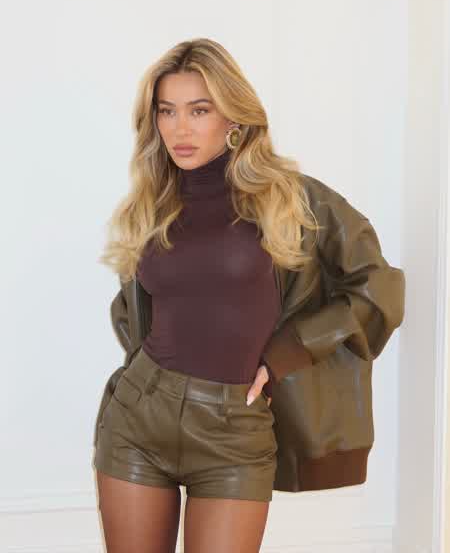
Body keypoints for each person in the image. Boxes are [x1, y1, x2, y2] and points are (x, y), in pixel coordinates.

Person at [92, 38, 404, 553]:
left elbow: (377, 287)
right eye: (167, 111)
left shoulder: (291, 198)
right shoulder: (153, 201)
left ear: (233, 116)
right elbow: (139, 310)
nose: (180, 128)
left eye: (199, 110)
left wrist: (288, 352)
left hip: (235, 428)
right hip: (138, 418)